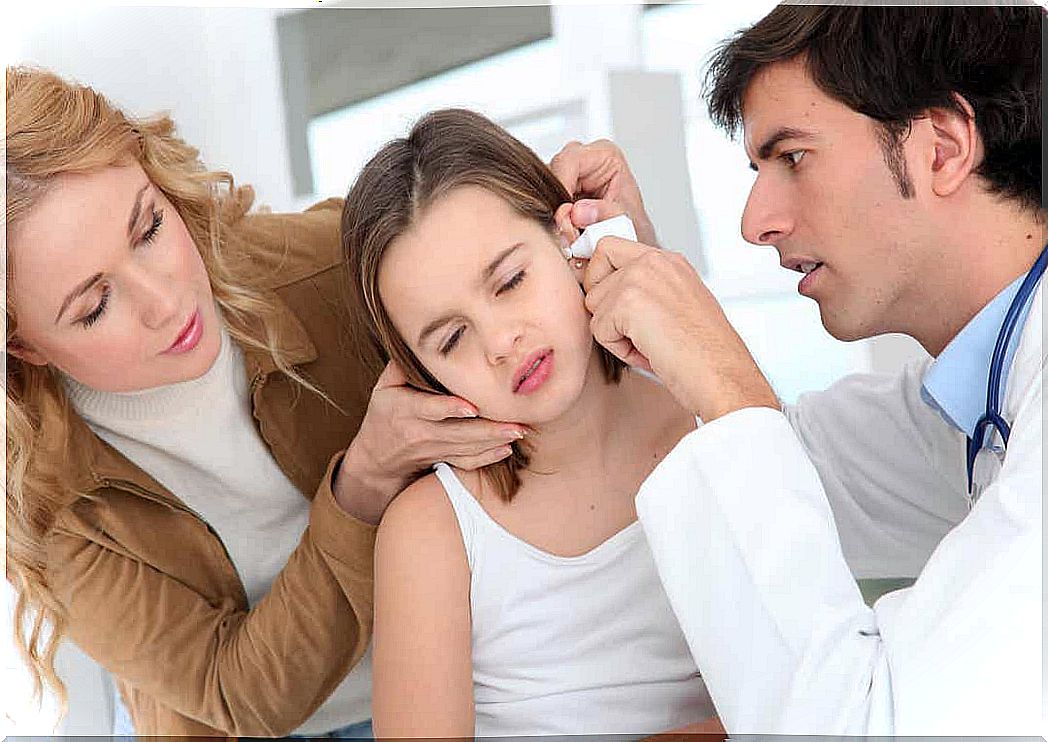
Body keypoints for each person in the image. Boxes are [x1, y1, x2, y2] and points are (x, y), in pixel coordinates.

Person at [547, 4, 1043, 735]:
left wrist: (724, 387)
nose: (756, 223)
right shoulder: (979, 395)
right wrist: (645, 280)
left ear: (942, 148)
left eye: (793, 157)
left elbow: (863, 725)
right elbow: (789, 464)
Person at [4, 66, 528, 738]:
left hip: (474, 669)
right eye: (96, 305)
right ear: (24, 347)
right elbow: (240, 695)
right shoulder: (46, 502)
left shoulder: (328, 266)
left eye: (149, 229)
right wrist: (362, 484)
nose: (166, 302)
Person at [341, 108, 718, 737]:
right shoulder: (432, 533)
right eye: (452, 338)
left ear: (570, 239)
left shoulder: (714, 421)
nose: (500, 342)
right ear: (422, 378)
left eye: (510, 280)